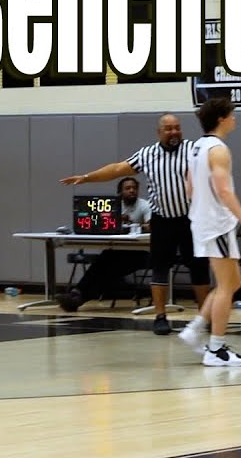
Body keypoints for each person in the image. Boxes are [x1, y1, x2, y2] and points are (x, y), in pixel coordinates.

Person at [62, 114, 210, 336]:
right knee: (160, 268)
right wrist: (86, 177)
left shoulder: (194, 149)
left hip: (191, 219)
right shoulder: (147, 154)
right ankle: (160, 317)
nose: (174, 132)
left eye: (177, 128)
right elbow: (116, 169)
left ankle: (204, 317)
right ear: (159, 132)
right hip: (162, 220)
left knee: (199, 268)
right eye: (168, 129)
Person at [177, 98, 241, 366]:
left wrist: (202, 208)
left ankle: (196, 327)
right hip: (216, 224)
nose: (235, 118)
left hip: (203, 221)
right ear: (222, 118)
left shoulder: (196, 147)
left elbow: (189, 187)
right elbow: (224, 190)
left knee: (235, 283)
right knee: (226, 286)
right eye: (232, 114)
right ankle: (216, 349)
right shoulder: (219, 150)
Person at [62, 177, 153, 306]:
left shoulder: (144, 205)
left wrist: (133, 224)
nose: (132, 191)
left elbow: (151, 226)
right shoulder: (113, 205)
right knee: (105, 259)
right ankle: (78, 294)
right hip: (117, 252)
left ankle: (79, 294)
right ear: (120, 192)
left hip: (140, 253)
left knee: (108, 267)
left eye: (134, 188)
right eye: (128, 188)